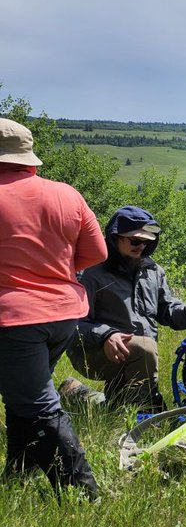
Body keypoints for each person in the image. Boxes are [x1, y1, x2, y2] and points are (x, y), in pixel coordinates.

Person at [0, 117, 104, 498]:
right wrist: (53, 271)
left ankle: (83, 494)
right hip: (63, 314)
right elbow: (97, 252)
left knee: (38, 403)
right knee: (22, 392)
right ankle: (20, 471)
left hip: (13, 318)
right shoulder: (66, 194)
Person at [69, 206, 186, 410]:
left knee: (116, 405)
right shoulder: (92, 273)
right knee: (144, 351)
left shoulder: (153, 271)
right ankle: (140, 413)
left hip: (137, 357)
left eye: (146, 241)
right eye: (135, 240)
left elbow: (167, 310)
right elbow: (74, 323)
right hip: (95, 351)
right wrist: (107, 335)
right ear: (115, 237)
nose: (141, 246)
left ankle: (76, 394)